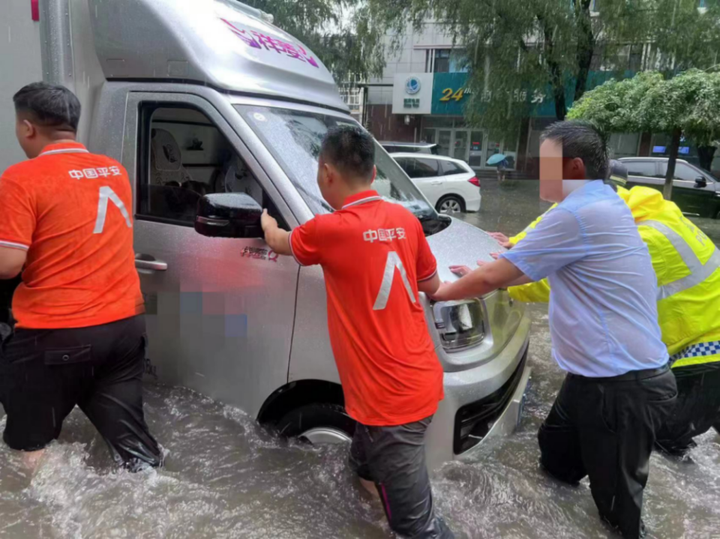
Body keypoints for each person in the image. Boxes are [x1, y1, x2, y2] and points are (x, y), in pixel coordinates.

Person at [432, 121, 677, 539]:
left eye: (546, 163)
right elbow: (538, 262)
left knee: (619, 516)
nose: (536, 169)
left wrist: (438, 292)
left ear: (575, 167)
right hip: (593, 378)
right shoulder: (604, 201)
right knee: (556, 460)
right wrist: (500, 259)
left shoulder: (578, 212)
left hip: (622, 387)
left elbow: (495, 277)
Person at [261, 125, 454, 538]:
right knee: (361, 468)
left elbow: (280, 241)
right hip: (411, 380)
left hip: (392, 403)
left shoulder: (329, 230)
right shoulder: (405, 220)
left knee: (418, 529)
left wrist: (264, 221)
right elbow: (432, 286)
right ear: (372, 171)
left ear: (327, 173)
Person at [484, 162, 720, 456]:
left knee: (665, 439)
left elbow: (571, 277)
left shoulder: (645, 240)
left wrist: (505, 283)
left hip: (707, 348)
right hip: (682, 336)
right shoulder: (620, 203)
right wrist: (516, 245)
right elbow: (555, 221)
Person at [0, 82, 162, 472]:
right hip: (125, 330)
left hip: (56, 336)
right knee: (135, 455)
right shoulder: (115, 171)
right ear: (73, 124)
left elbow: (7, 265)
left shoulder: (21, 179)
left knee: (27, 449)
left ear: (26, 127)